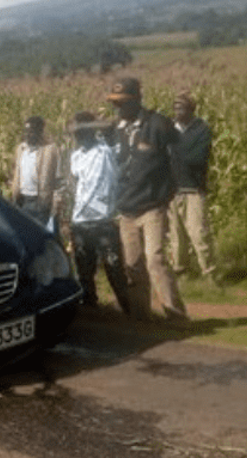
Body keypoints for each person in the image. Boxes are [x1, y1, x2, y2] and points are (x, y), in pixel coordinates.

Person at [108, 77, 187, 322]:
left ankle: (175, 315)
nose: (119, 108)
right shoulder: (115, 130)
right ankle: (142, 318)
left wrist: (169, 192)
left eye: (123, 103)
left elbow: (179, 156)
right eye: (116, 104)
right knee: (133, 265)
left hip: (153, 206)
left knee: (155, 259)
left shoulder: (158, 124)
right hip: (126, 209)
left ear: (137, 101)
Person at [66, 112, 130, 314]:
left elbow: (112, 132)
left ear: (90, 131)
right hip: (81, 221)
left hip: (104, 220)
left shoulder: (106, 149)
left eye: (82, 132)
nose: (78, 137)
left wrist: (98, 124)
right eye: (76, 133)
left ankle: (128, 308)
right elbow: (76, 183)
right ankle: (91, 307)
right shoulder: (75, 156)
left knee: (114, 267)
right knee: (85, 269)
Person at [168, 91, 218, 286]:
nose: (177, 111)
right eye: (175, 107)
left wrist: (174, 152)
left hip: (193, 188)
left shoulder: (201, 130)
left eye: (181, 107)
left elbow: (197, 158)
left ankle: (210, 273)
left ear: (191, 110)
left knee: (198, 233)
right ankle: (181, 272)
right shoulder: (169, 130)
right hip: (173, 189)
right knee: (176, 236)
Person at [10, 115, 62, 231]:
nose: (28, 135)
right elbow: (16, 174)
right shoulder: (21, 149)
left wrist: (55, 207)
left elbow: (58, 181)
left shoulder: (50, 151)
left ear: (40, 132)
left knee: (38, 237)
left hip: (40, 203)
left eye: (32, 131)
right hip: (22, 201)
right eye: (26, 131)